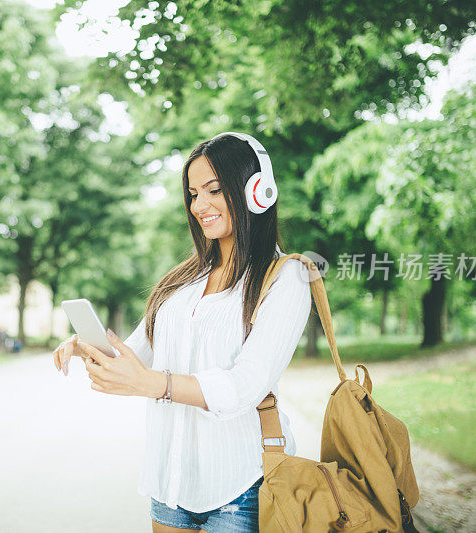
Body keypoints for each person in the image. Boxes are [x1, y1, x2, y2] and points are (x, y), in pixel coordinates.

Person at [52, 132, 312, 533]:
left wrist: (156, 385)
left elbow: (245, 386)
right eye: (192, 194)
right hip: (171, 483)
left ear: (257, 190)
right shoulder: (184, 280)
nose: (199, 205)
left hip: (242, 489)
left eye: (214, 190)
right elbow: (139, 355)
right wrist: (92, 347)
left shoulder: (286, 277)